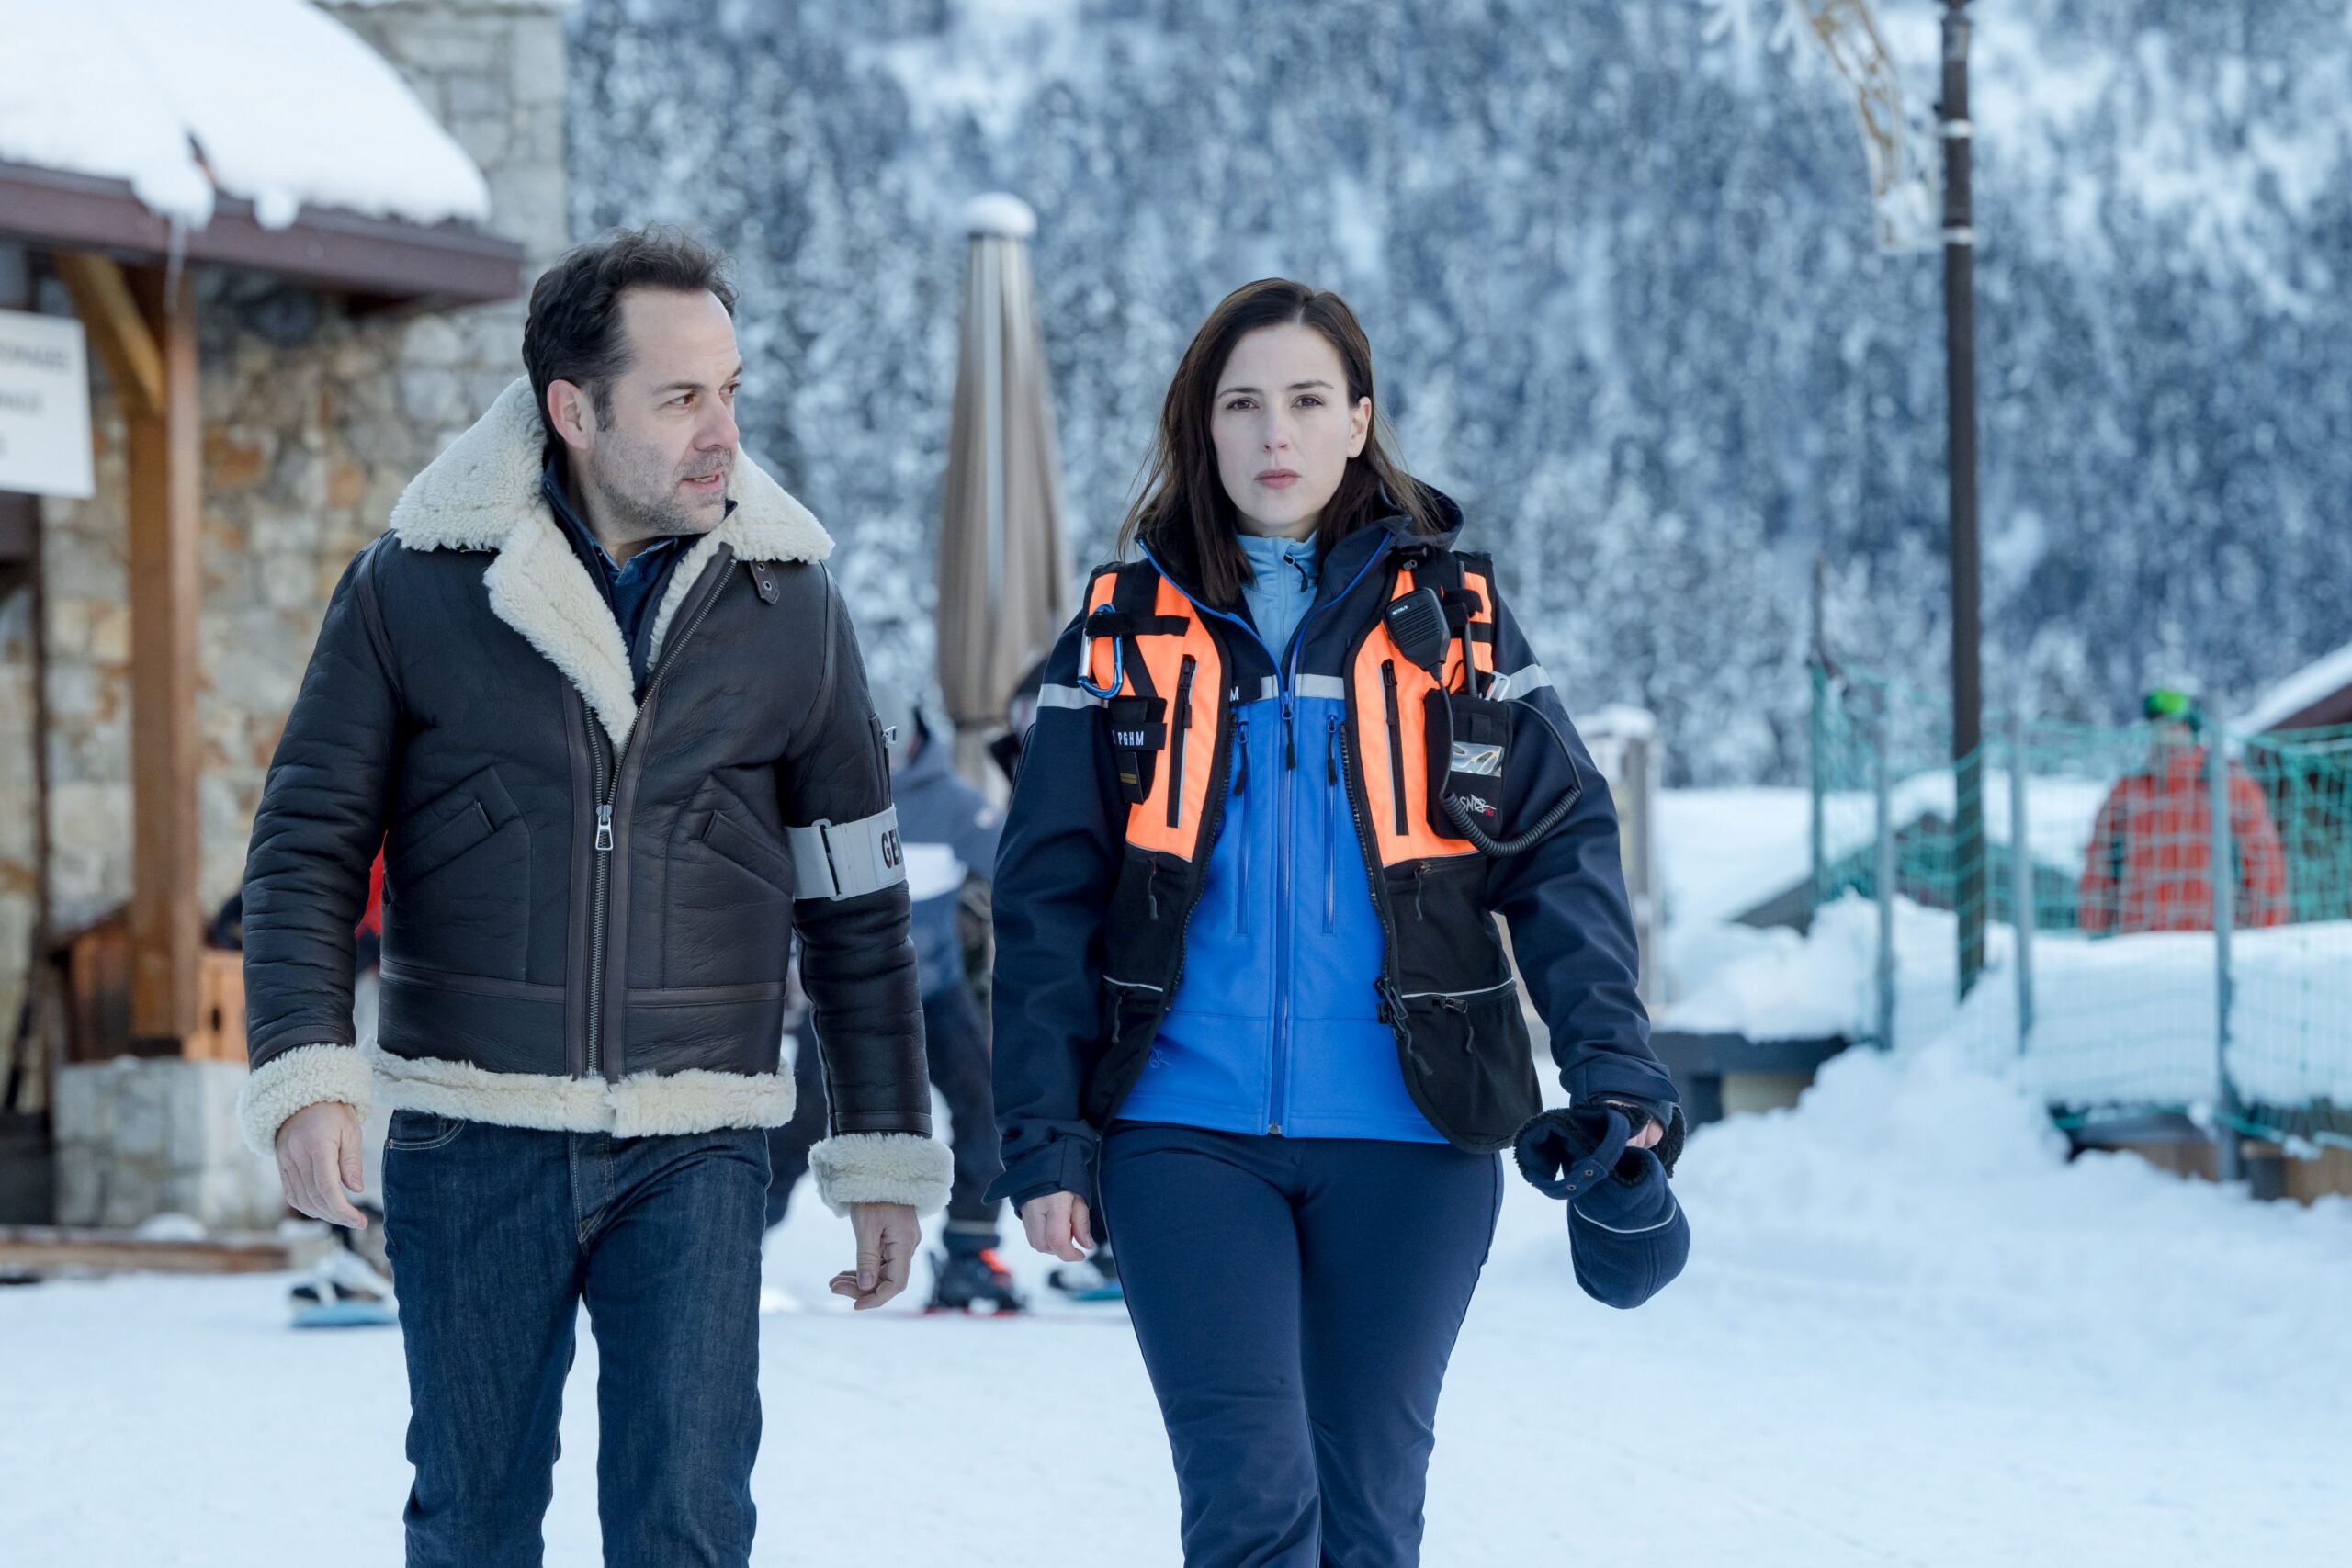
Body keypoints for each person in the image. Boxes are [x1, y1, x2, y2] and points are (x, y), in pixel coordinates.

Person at [234, 226, 950, 1567]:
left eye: (729, 390)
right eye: (680, 398)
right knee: (473, 1522)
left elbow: (857, 900)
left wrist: (882, 1143)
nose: (721, 431)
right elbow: (304, 848)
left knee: (687, 1522)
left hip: (698, 1136)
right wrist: (305, 1068)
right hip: (469, 1130)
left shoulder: (793, 605)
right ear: (573, 410)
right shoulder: (413, 586)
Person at [989, 278, 1680, 1567]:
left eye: (1308, 401)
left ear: (1359, 420)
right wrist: (1042, 1136)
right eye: (1241, 404)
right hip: (1182, 1129)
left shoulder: (1457, 626)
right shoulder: (1121, 632)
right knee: (1251, 1502)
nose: (1275, 434)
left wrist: (1615, 1070)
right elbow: (1045, 899)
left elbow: (1562, 851)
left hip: (1415, 1135)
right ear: (1201, 428)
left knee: (1369, 1514)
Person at [764, 686, 1022, 1312]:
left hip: (936, 991)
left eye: (887, 745)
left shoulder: (955, 806)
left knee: (985, 1105)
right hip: (849, 996)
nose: (880, 758)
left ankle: (971, 1248)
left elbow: (1019, 874)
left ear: (910, 740)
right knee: (801, 1115)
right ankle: (741, 1232)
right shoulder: (819, 798)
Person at [2077, 686, 2290, 934]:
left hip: (2213, 939)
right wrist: (2096, 931)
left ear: (2191, 727)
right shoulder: (2127, 791)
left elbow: (2264, 864)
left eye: (2173, 723)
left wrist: (2262, 932)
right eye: (2157, 723)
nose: (2164, 732)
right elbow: (2099, 866)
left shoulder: (2230, 785)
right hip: (2139, 942)